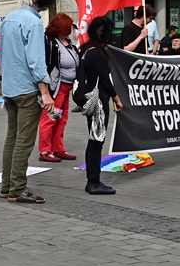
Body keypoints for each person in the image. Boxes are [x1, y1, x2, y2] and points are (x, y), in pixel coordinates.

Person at [0, 0, 56, 204]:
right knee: (24, 141)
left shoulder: (9, 19)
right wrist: (45, 92)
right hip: (28, 89)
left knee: (11, 139)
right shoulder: (34, 22)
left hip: (10, 87)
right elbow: (35, 60)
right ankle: (18, 189)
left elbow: (3, 54)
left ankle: (7, 186)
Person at [74, 17, 124, 196]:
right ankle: (93, 181)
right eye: (105, 30)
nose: (108, 33)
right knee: (96, 140)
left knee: (95, 139)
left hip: (93, 99)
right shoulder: (96, 53)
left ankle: (93, 180)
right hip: (98, 101)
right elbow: (105, 80)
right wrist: (116, 99)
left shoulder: (88, 50)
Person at [38, 13, 80, 163]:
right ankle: (45, 150)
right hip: (57, 87)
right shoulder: (50, 42)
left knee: (61, 119)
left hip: (67, 87)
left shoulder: (67, 41)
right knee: (50, 118)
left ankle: (58, 148)